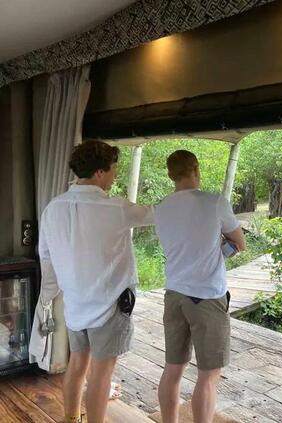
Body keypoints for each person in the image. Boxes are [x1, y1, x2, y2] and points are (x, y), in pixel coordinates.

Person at [38, 140, 153, 423]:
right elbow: (158, 214)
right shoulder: (116, 208)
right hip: (110, 307)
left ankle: (71, 418)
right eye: (113, 169)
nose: (115, 175)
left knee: (77, 365)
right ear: (100, 172)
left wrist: (48, 296)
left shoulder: (53, 208)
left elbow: (46, 257)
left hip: (75, 303)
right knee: (101, 377)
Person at [155, 150, 246, 423]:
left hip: (174, 295)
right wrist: (219, 249)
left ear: (171, 175)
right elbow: (239, 244)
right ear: (196, 169)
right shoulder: (215, 203)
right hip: (207, 297)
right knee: (208, 376)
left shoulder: (161, 208)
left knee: (173, 369)